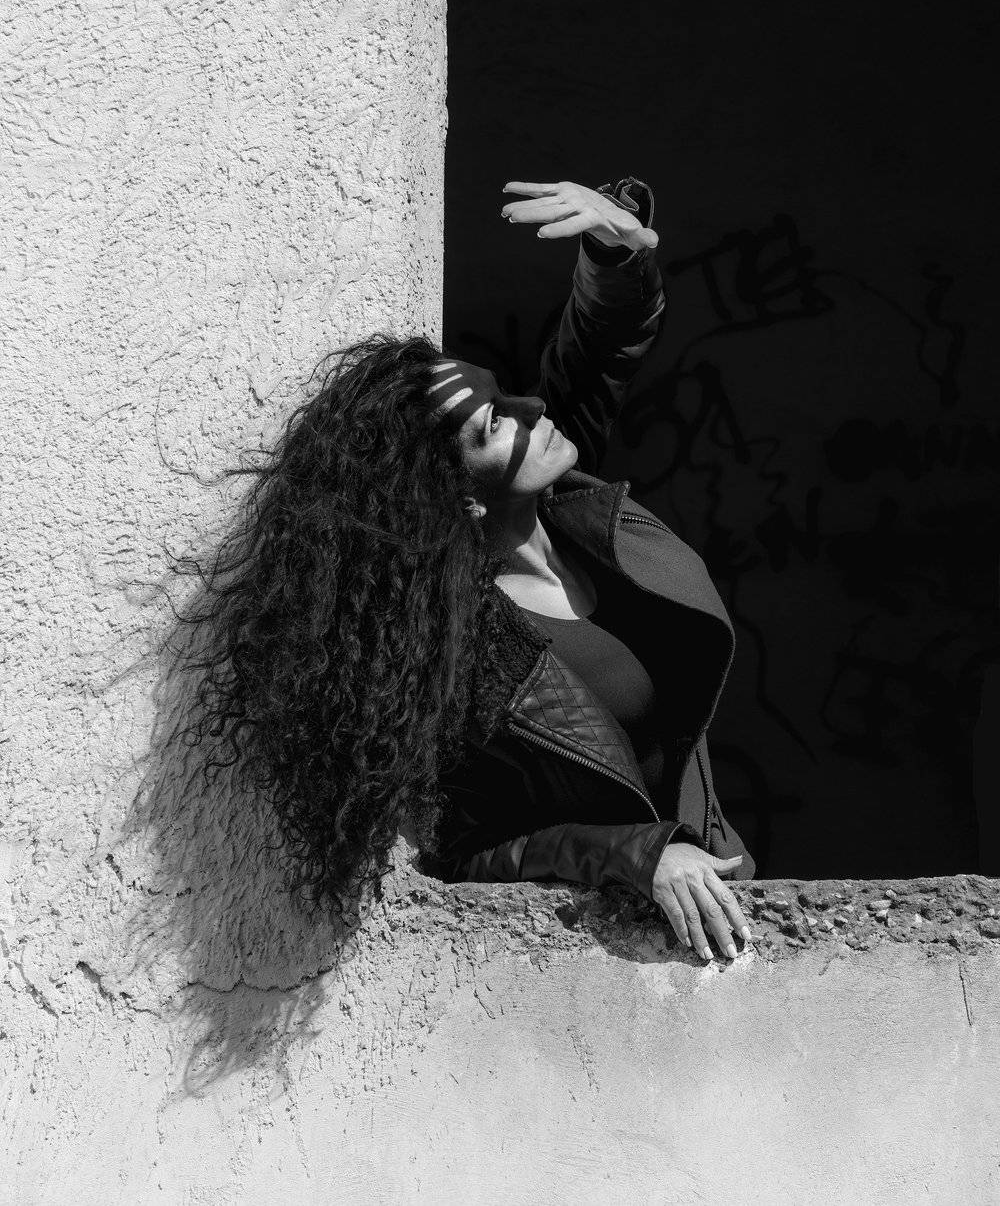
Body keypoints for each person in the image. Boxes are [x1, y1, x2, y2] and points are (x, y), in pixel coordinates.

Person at [189, 176, 754, 964]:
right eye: (494, 424)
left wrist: (615, 257)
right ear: (458, 498)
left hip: (729, 902)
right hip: (616, 964)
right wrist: (637, 854)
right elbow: (466, 854)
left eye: (505, 395)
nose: (530, 409)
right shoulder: (465, 654)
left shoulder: (568, 507)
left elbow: (596, 355)